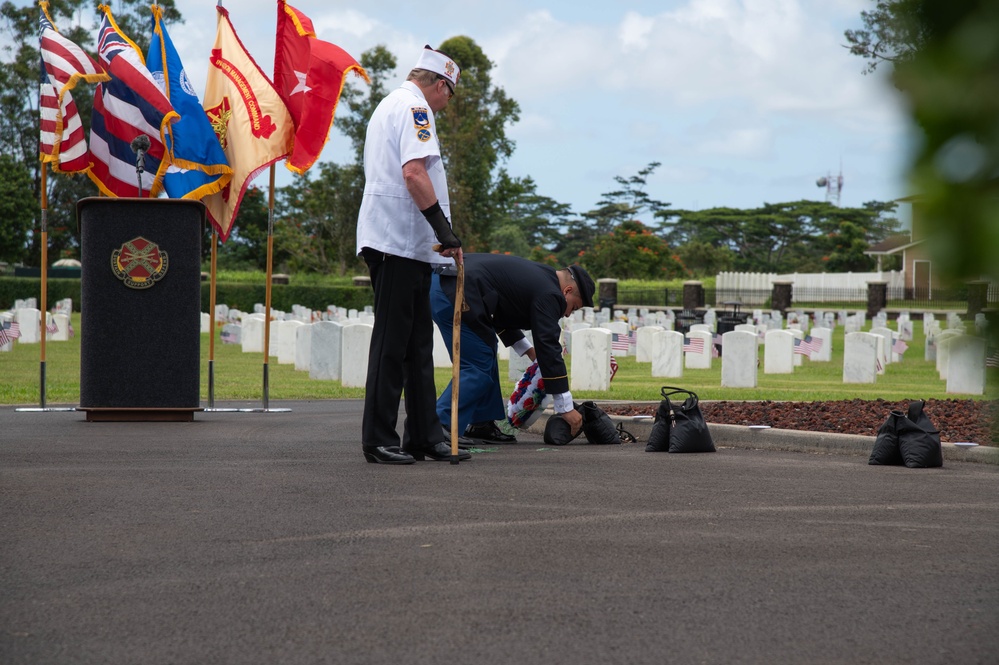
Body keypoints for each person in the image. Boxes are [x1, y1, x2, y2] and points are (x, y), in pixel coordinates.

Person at [355, 45, 470, 465]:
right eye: (449, 94)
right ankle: (378, 437)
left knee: (417, 343)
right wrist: (445, 231)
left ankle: (423, 435)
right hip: (395, 241)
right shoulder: (414, 109)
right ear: (439, 84)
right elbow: (414, 172)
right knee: (391, 341)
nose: (445, 103)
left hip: (406, 244)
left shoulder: (394, 104)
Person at [430, 253, 595, 444]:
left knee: (486, 352)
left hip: (449, 286)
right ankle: (438, 425)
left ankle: (481, 423)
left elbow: (501, 308)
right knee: (478, 364)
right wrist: (565, 407)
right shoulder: (551, 293)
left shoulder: (543, 278)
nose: (567, 314)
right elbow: (548, 346)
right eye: (573, 307)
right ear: (567, 291)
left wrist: (528, 350)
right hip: (455, 290)